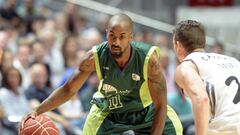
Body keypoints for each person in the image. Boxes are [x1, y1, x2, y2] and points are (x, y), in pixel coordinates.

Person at [20, 13, 182, 135]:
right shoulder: (93, 56)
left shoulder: (149, 60)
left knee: (175, 128)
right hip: (109, 113)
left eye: (122, 37)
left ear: (131, 37)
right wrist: (38, 110)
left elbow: (160, 105)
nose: (116, 42)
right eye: (112, 36)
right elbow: (69, 89)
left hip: (145, 111)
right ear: (106, 33)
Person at [173, 20, 240, 135]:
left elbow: (201, 99)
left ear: (178, 45)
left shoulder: (186, 66)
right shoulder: (234, 61)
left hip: (225, 130)